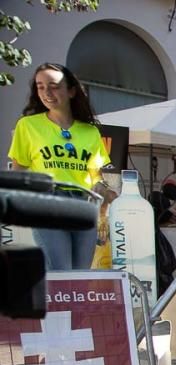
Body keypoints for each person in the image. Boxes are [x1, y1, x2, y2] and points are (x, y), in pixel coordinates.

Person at [7, 63, 117, 270]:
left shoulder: (90, 132)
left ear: (71, 90)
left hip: (85, 206)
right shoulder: (28, 125)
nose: (46, 92)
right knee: (60, 270)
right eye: (40, 86)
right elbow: (19, 171)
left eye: (54, 86)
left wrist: (102, 187)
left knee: (80, 274)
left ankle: (71, 304)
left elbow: (96, 174)